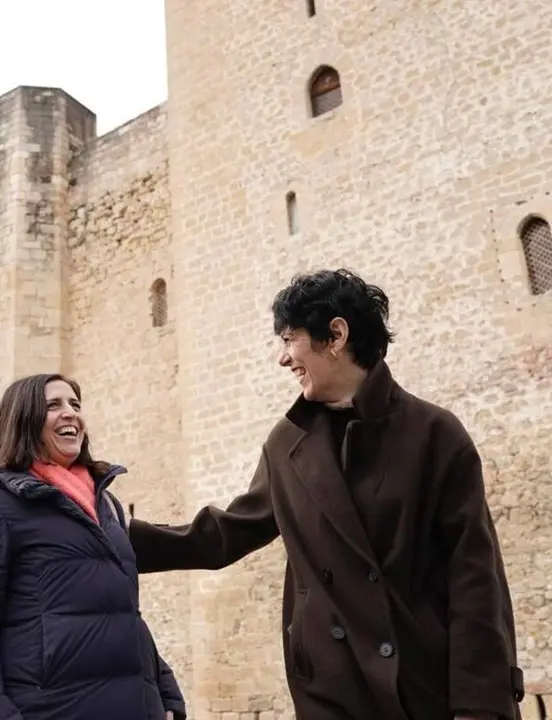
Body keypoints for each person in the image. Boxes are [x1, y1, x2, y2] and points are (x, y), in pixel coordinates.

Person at [128, 269, 525, 720]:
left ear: (335, 335)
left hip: (424, 685)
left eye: (289, 339)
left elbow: (475, 578)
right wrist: (111, 535)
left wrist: (480, 706)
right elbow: (228, 533)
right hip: (332, 691)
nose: (282, 358)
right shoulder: (286, 444)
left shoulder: (435, 434)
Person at [0, 373, 185, 720]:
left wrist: (165, 692)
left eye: (75, 404)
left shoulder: (107, 506)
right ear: (23, 419)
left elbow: (123, 614)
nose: (70, 412)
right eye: (53, 405)